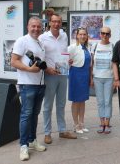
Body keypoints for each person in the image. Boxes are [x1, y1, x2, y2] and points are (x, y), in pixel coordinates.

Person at [11, 17, 47, 161]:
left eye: (38, 26)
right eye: (33, 26)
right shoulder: (22, 40)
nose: (36, 29)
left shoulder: (40, 42)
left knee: (34, 115)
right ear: (28, 26)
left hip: (40, 84)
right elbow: (13, 61)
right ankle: (23, 146)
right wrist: (29, 69)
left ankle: (32, 140)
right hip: (27, 84)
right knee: (26, 115)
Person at [39, 14, 77, 144]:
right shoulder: (42, 37)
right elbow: (39, 56)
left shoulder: (64, 36)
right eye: (54, 21)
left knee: (61, 104)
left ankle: (62, 130)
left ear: (61, 23)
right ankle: (47, 133)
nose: (56, 24)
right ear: (49, 23)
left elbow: (63, 52)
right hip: (50, 75)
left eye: (58, 22)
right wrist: (46, 69)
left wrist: (68, 60)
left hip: (62, 74)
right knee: (48, 105)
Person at [68, 28, 92, 134]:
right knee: (76, 101)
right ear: (77, 35)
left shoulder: (88, 47)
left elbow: (90, 64)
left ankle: (82, 123)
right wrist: (68, 62)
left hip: (85, 75)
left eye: (84, 34)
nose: (82, 36)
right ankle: (76, 125)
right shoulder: (72, 47)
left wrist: (90, 77)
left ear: (87, 36)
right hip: (76, 75)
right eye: (80, 34)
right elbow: (64, 60)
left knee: (82, 101)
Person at [91, 26, 114, 134]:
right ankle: (101, 122)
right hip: (97, 78)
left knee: (107, 101)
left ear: (110, 35)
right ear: (100, 34)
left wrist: (116, 79)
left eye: (107, 34)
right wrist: (91, 77)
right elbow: (91, 63)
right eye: (103, 33)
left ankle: (107, 123)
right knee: (100, 101)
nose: (105, 35)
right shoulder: (95, 46)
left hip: (109, 77)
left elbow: (115, 64)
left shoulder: (112, 46)